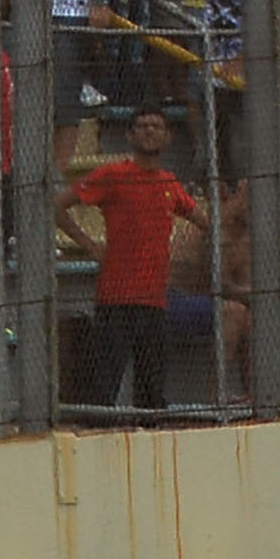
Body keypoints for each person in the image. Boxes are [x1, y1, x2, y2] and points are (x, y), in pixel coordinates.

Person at [68, 106, 203, 412]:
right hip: (116, 296)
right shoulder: (113, 175)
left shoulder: (168, 183)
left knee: (151, 389)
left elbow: (203, 220)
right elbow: (60, 204)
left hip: (154, 299)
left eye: (156, 126)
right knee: (105, 383)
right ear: (129, 135)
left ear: (168, 136)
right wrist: (89, 245)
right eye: (142, 126)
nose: (149, 131)